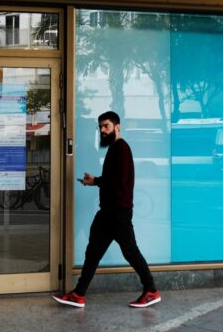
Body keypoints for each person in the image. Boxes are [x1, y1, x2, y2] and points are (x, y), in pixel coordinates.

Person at [53, 111, 161, 309]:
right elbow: (113, 179)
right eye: (100, 127)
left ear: (117, 127)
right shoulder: (114, 148)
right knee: (93, 252)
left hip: (118, 213)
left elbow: (118, 181)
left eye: (106, 126)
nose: (102, 130)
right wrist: (95, 181)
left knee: (130, 252)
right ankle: (78, 294)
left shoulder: (121, 148)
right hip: (108, 212)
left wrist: (96, 181)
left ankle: (151, 290)